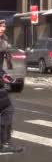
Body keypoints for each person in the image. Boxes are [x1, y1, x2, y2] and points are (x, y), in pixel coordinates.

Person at [0, 19, 23, 153]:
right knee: (7, 110)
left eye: (3, 26)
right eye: (0, 26)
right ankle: (5, 142)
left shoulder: (3, 43)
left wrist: (4, 74)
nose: (3, 28)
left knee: (6, 110)